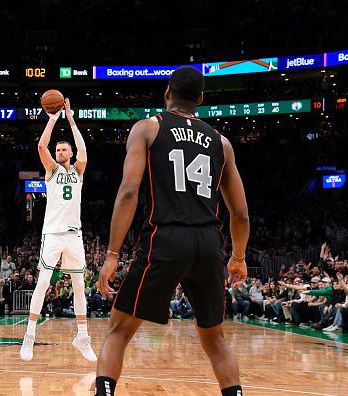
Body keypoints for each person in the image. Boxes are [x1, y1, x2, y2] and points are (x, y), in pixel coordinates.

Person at [95, 66, 249, 396]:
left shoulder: (148, 128)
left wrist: (111, 255)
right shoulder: (222, 143)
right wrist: (238, 256)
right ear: (201, 99)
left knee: (118, 331)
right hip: (209, 243)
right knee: (215, 339)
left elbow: (128, 191)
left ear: (167, 92)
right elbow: (240, 213)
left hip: (166, 238)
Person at [20, 98, 97, 362]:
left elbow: (84, 151)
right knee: (42, 283)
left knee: (78, 285)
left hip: (74, 234)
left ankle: (82, 338)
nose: (61, 152)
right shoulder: (51, 170)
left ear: (71, 153)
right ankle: (29, 336)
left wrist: (72, 120)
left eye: (65, 149)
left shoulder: (78, 171)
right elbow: (42, 145)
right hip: (52, 234)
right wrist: (53, 118)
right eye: (59, 149)